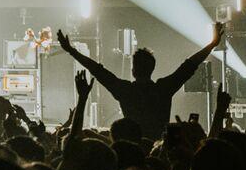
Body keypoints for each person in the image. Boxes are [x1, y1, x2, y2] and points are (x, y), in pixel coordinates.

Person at [54, 21, 225, 135]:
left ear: (133, 70)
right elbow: (189, 66)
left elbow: (97, 70)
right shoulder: (163, 89)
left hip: (132, 146)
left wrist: (72, 51)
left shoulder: (126, 90)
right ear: (152, 68)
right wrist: (212, 44)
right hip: (158, 145)